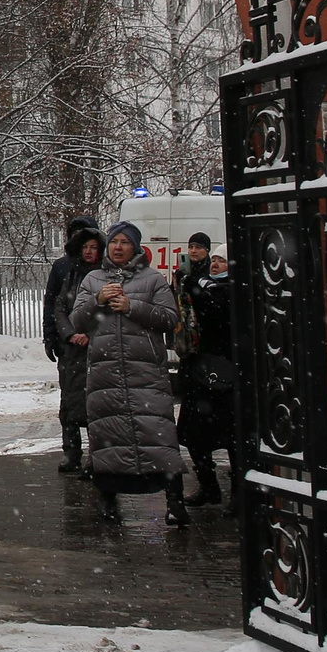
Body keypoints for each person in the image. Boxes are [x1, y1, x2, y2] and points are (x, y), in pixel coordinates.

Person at [70, 219, 187, 526]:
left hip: (145, 372)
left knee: (158, 437)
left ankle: (175, 503)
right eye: (114, 242)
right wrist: (98, 301)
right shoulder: (94, 280)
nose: (117, 247)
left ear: (135, 247)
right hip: (106, 374)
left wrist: (133, 306)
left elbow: (170, 318)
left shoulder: (153, 280)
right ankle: (107, 501)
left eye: (124, 242)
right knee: (108, 438)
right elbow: (78, 321)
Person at [175, 251, 238, 506]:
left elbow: (216, 312)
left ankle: (238, 495)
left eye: (222, 260)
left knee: (233, 439)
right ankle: (208, 487)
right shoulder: (199, 283)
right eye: (214, 260)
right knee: (194, 436)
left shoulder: (230, 289)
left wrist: (193, 287)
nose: (215, 264)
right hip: (199, 373)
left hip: (224, 373)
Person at [42, 217, 102, 474]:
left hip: (98, 350)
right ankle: (71, 451)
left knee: (96, 403)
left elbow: (107, 312)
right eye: (80, 242)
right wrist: (60, 336)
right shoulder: (65, 269)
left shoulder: (105, 273)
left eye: (91, 244)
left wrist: (91, 334)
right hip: (70, 348)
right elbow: (55, 306)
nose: (87, 250)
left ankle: (97, 455)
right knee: (69, 401)